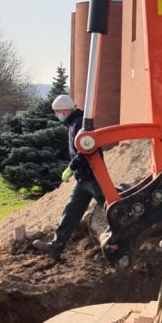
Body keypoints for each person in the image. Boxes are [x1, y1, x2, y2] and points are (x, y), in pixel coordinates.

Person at [37, 94, 104, 262]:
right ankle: (56, 246)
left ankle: (132, 236)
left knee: (113, 208)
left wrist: (70, 168)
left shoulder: (79, 124)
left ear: (65, 110)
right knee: (71, 210)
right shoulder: (73, 123)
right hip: (83, 177)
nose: (56, 115)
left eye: (58, 112)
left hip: (93, 175)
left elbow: (86, 149)